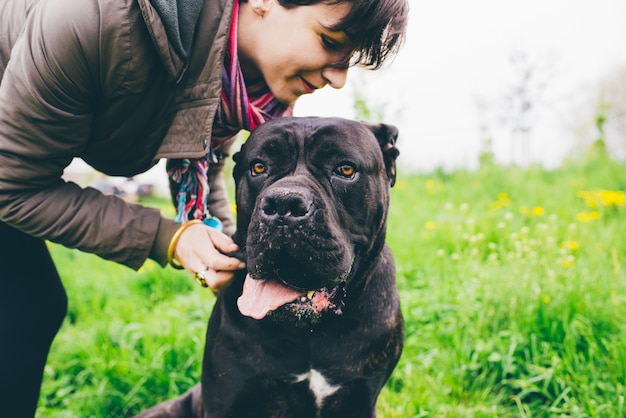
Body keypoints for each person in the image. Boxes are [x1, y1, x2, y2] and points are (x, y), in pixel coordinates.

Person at [0, 0, 408, 415]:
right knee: (27, 307)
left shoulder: (233, 83)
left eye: (348, 57)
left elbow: (203, 158)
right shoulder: (95, 18)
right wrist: (170, 238)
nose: (338, 78)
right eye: (329, 40)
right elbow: (11, 183)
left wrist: (237, 246)